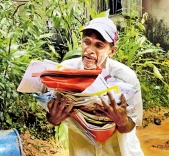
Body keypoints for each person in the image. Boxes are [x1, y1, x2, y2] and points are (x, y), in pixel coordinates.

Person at [46, 17, 144, 156]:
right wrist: (53, 118)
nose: (89, 50)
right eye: (87, 42)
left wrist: (122, 122)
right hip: (82, 151)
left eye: (99, 45)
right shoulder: (65, 72)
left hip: (119, 151)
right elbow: (51, 114)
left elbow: (132, 123)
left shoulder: (126, 77)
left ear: (112, 51)